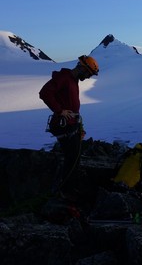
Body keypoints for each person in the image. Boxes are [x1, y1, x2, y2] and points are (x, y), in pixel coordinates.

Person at [39, 55, 99, 199]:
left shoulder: (72, 80)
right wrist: (60, 111)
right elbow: (44, 93)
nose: (88, 77)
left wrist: (79, 127)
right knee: (72, 157)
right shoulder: (64, 78)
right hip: (64, 125)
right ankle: (67, 190)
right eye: (88, 73)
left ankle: (69, 188)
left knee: (74, 156)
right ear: (82, 68)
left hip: (71, 124)